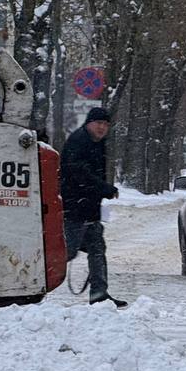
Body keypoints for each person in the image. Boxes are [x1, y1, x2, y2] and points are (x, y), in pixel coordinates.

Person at [60, 107, 126, 307]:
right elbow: (80, 174)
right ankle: (33, 287)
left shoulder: (98, 143)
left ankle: (99, 294)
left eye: (106, 125)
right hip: (75, 208)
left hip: (90, 208)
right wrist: (104, 188)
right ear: (89, 123)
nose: (102, 128)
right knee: (67, 251)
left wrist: (101, 191)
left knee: (97, 249)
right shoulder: (78, 142)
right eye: (99, 123)